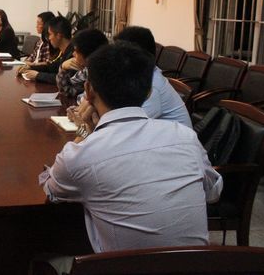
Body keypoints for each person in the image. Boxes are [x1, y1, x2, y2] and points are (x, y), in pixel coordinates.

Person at [38, 42, 222, 272]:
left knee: (43, 256)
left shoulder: (82, 154)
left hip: (121, 267)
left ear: (89, 90)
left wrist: (84, 133)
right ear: (148, 92)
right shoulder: (185, 137)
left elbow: (51, 190)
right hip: (196, 267)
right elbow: (213, 191)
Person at [114, 26, 192, 128]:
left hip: (175, 138)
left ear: (136, 56)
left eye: (119, 54)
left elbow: (128, 127)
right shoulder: (142, 75)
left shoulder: (153, 86)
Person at [57, 28, 108, 101]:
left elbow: (85, 99)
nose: (73, 54)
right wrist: (63, 67)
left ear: (88, 54)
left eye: (76, 51)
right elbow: (66, 89)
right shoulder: (86, 70)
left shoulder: (102, 74)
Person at [20, 16, 73, 84]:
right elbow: (51, 67)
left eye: (50, 34)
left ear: (59, 36)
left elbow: (66, 80)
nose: (49, 38)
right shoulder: (65, 51)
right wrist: (30, 67)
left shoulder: (73, 54)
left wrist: (38, 75)